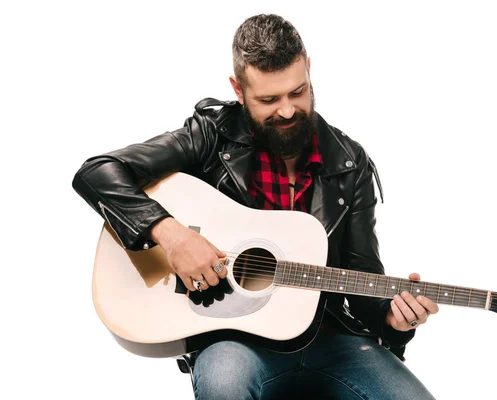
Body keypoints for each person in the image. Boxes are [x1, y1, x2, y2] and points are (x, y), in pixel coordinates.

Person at [72, 13, 439, 400]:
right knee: (225, 387)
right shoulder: (211, 137)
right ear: (238, 88)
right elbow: (97, 172)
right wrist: (173, 236)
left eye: (297, 92)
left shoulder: (349, 162)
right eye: (269, 99)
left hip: (330, 339)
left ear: (309, 70)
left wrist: (394, 319)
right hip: (234, 340)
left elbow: (364, 282)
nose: (286, 110)